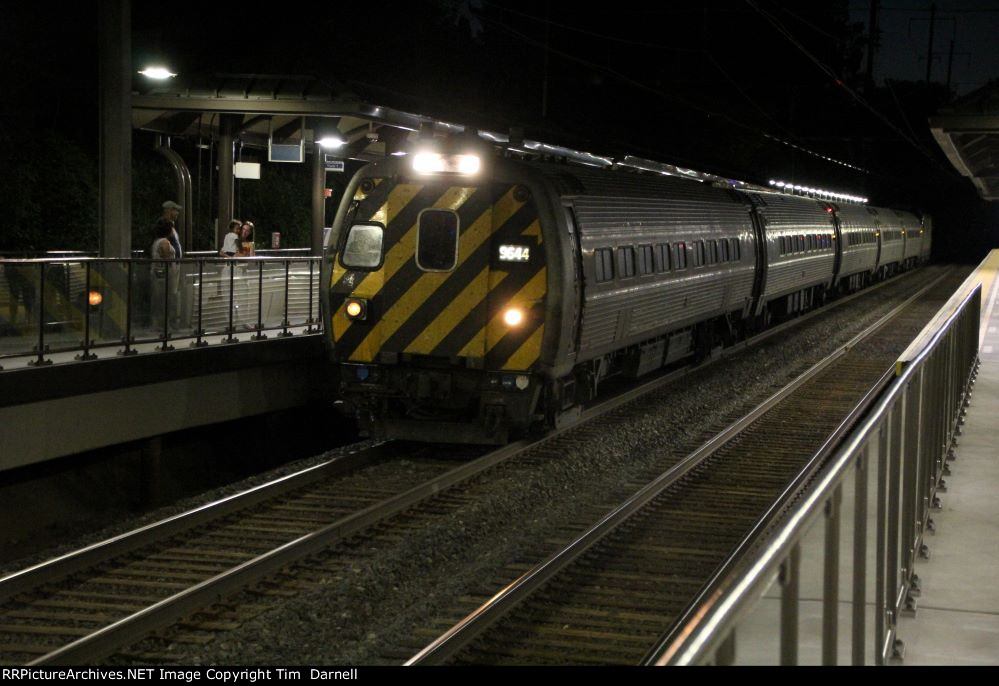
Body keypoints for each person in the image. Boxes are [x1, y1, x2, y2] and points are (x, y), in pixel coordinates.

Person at [149, 222, 178, 330]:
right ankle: (164, 324)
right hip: (164, 275)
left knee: (158, 298)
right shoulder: (164, 242)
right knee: (166, 298)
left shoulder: (156, 241)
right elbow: (167, 256)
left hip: (157, 273)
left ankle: (157, 323)